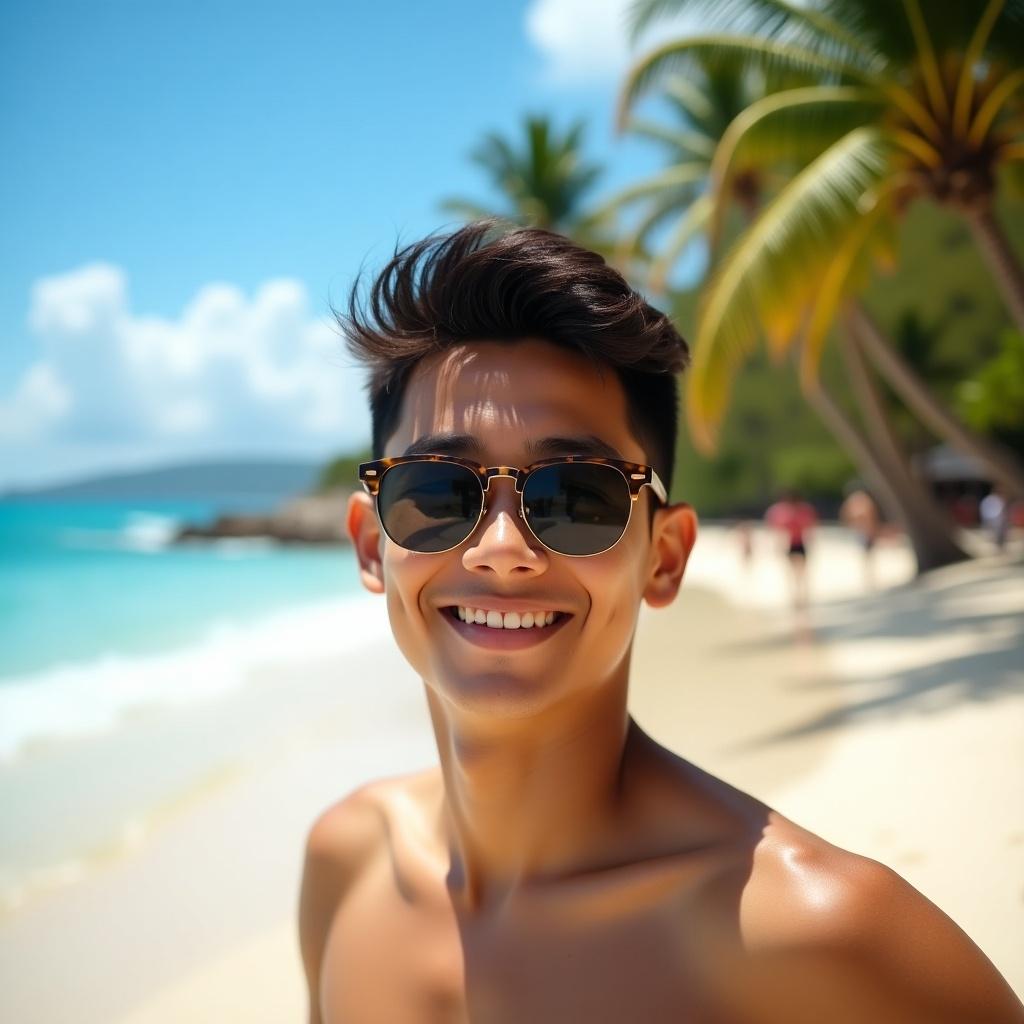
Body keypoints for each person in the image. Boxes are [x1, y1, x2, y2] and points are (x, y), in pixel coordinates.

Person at [299, 221, 1023, 1023]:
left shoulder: (820, 938)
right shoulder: (346, 863)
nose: (502, 550)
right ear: (372, 544)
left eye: (577, 497)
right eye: (436, 493)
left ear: (665, 558)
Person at [763, 489, 817, 610]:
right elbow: (776, 528)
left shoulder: (801, 511)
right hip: (790, 544)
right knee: (793, 572)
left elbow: (810, 527)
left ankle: (801, 596)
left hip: (799, 543)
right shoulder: (783, 512)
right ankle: (796, 596)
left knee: (800, 572)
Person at [839, 484, 881, 590]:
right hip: (864, 529)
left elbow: (846, 515)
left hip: (862, 529)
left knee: (867, 553)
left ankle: (869, 576)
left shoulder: (855, 501)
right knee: (867, 553)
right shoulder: (864, 501)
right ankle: (869, 576)